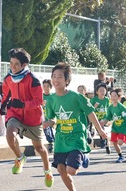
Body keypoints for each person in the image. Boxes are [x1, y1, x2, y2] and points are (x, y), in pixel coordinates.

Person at [43, 62, 107, 191]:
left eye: (60, 77)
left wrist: (100, 131)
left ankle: (83, 155)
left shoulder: (76, 97)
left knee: (71, 170)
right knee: (61, 169)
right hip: (61, 139)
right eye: (54, 76)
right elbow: (53, 119)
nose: (56, 80)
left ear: (66, 80)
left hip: (76, 138)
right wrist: (48, 123)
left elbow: (90, 112)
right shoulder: (51, 100)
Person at [1, 48, 53, 187]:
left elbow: (38, 101)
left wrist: (23, 104)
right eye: (11, 63)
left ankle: (47, 171)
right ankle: (20, 157)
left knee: (39, 148)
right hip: (15, 114)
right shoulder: (8, 78)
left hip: (33, 118)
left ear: (24, 65)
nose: (12, 67)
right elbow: (5, 95)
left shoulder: (33, 80)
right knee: (10, 134)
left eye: (16, 64)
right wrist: (1, 106)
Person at [100, 88, 126, 163]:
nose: (113, 98)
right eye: (111, 96)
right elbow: (108, 117)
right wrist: (103, 122)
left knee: (119, 142)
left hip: (123, 128)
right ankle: (120, 156)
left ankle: (125, 138)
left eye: (115, 96)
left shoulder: (121, 107)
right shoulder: (110, 108)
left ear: (119, 97)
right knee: (114, 143)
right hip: (115, 127)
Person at [90, 83, 111, 153]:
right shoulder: (93, 100)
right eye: (100, 91)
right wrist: (94, 107)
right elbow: (89, 110)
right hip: (95, 118)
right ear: (97, 92)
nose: (102, 92)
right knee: (99, 130)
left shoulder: (107, 100)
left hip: (104, 118)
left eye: (104, 91)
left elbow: (108, 108)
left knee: (102, 129)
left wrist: (109, 118)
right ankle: (105, 141)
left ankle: (104, 142)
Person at [42, 79, 55, 152]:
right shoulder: (40, 96)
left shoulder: (53, 96)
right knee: (46, 130)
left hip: (52, 117)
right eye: (44, 86)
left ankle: (54, 142)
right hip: (44, 117)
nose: (46, 88)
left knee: (53, 130)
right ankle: (51, 142)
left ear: (51, 87)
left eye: (48, 86)